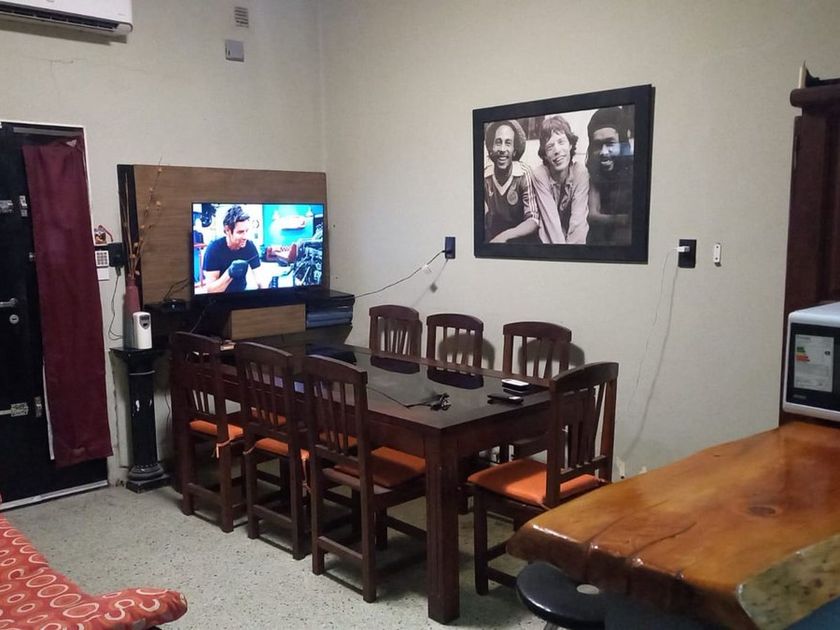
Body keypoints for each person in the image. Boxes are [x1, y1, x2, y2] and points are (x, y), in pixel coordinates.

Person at [530, 115, 590, 244]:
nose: (557, 150)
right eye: (550, 147)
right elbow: (551, 225)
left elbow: (578, 224)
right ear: (545, 154)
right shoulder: (540, 175)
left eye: (561, 142)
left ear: (570, 144)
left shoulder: (580, 173)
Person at [483, 119, 539, 243]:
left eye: (508, 143)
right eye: (498, 142)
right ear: (491, 148)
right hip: (494, 238)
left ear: (514, 151)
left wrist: (505, 236)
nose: (502, 149)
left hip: (520, 240)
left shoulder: (523, 174)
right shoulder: (486, 175)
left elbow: (533, 220)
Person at [585, 106, 634, 246]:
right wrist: (623, 219)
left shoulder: (635, 174)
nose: (604, 152)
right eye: (598, 145)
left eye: (610, 143)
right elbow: (592, 216)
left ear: (622, 143)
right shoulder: (594, 174)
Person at [202, 205, 265, 293]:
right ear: (227, 230)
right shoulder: (214, 249)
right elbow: (211, 291)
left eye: (247, 231)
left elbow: (260, 280)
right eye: (240, 232)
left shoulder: (249, 246)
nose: (245, 237)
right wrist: (229, 273)